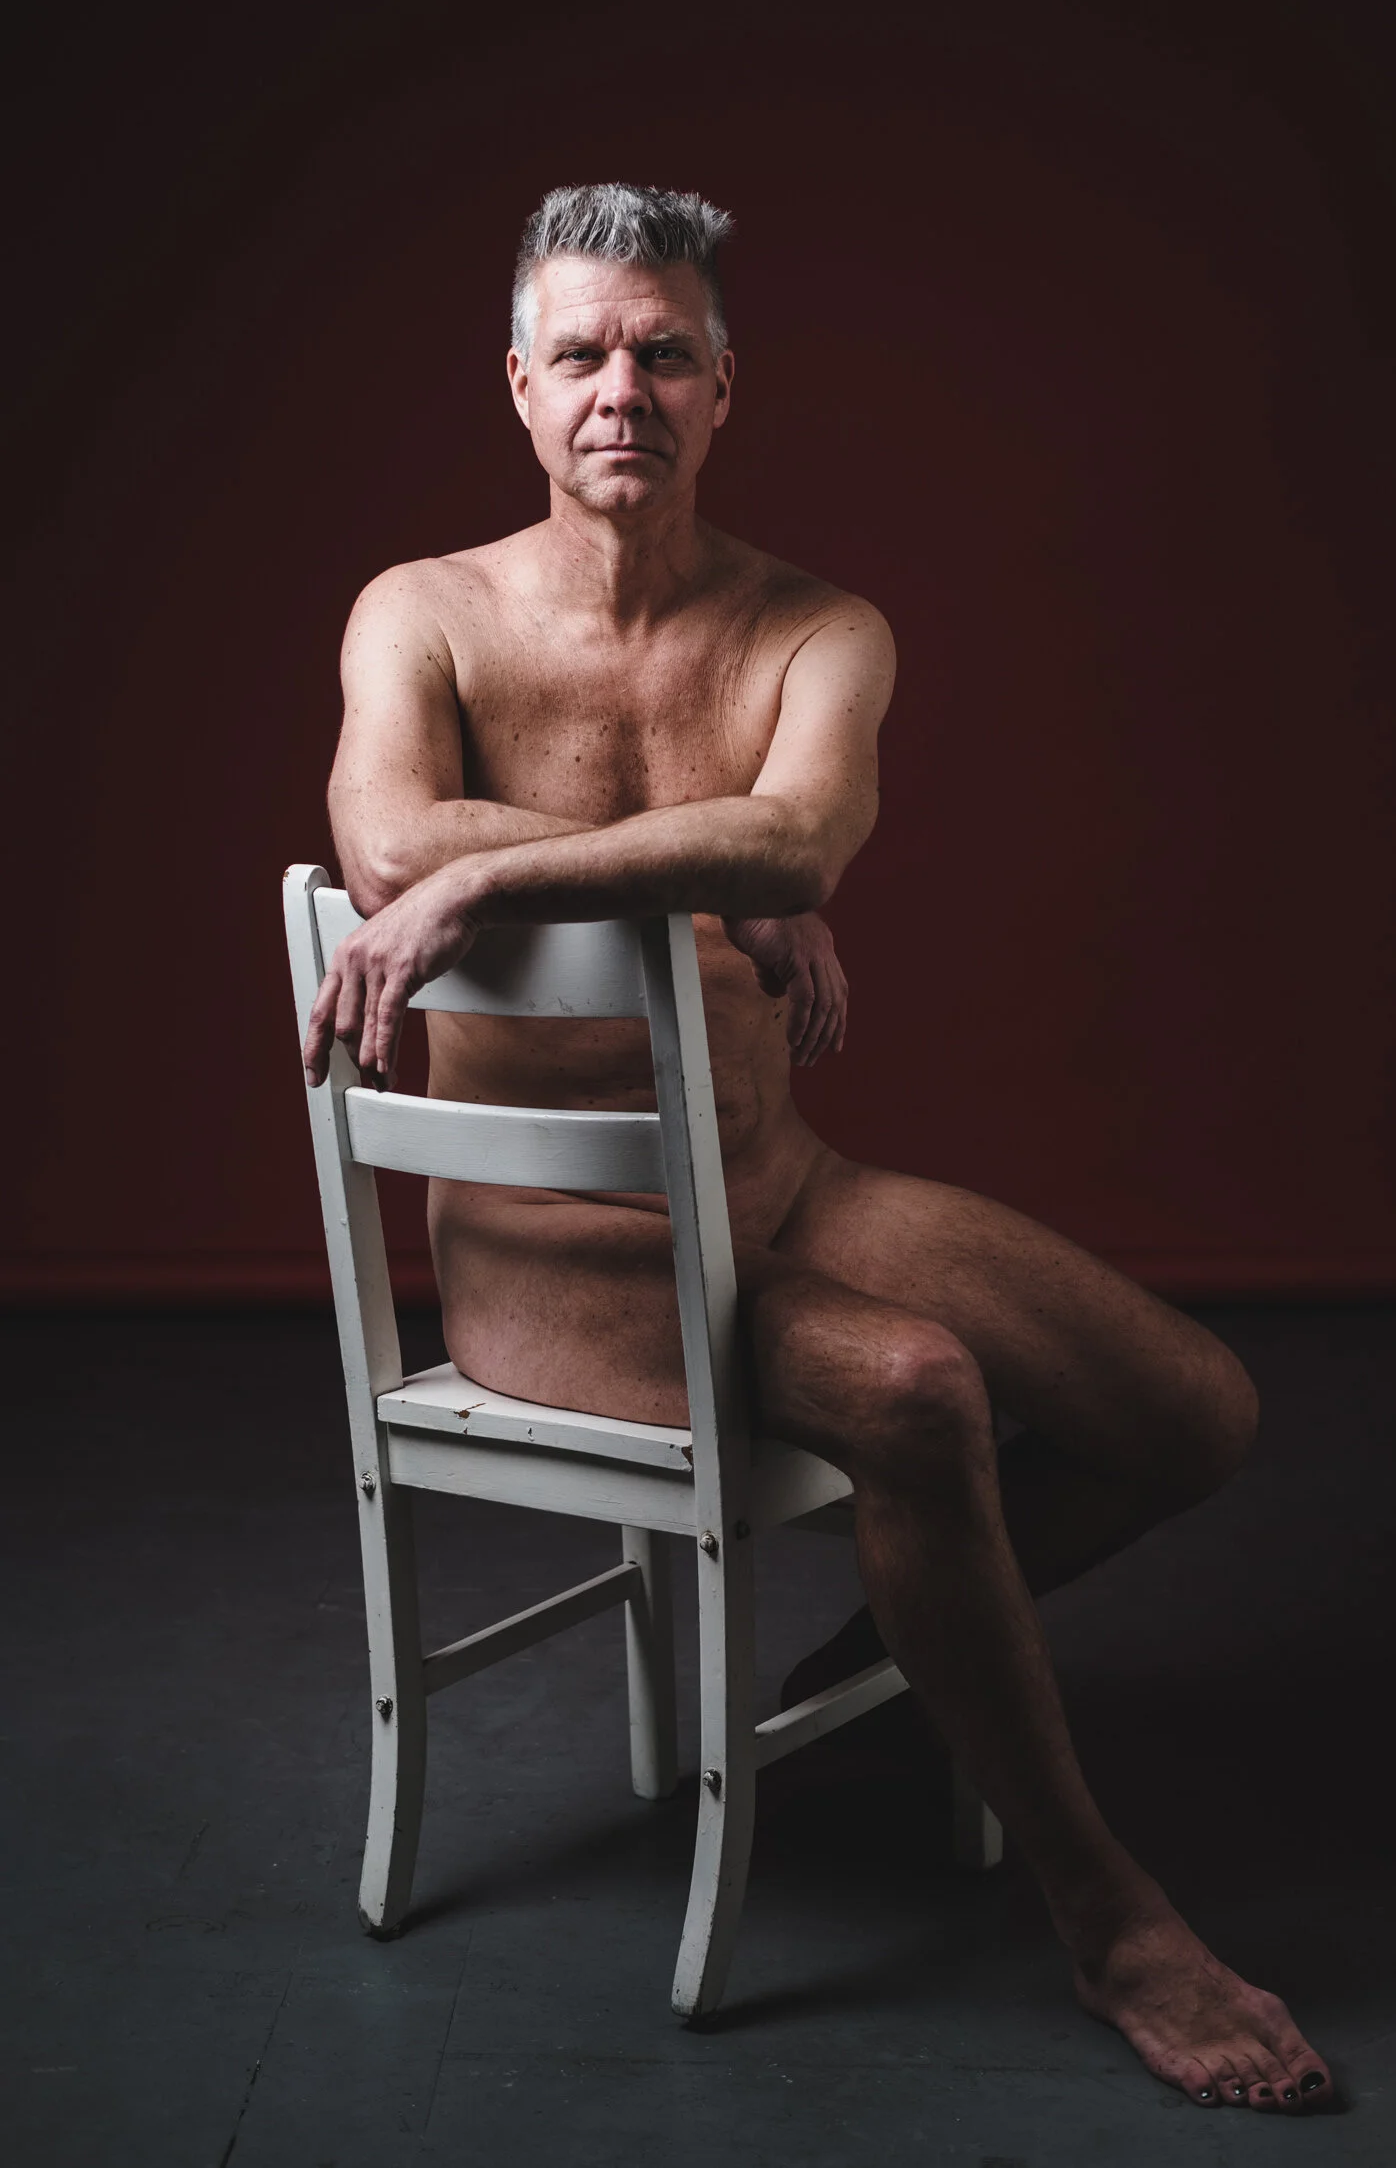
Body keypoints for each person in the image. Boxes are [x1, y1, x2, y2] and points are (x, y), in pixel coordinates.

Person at [303, 182, 1330, 2112]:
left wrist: (558, 869)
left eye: (665, 352)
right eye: (585, 353)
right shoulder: (420, 611)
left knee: (1191, 1409)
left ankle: (895, 1656)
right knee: (916, 1388)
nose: (625, 389)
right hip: (558, 1254)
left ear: (725, 384)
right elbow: (381, 843)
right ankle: (1110, 1916)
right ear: (520, 384)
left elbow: (804, 839)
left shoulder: (820, 628)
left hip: (777, 1182)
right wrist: (713, 880)